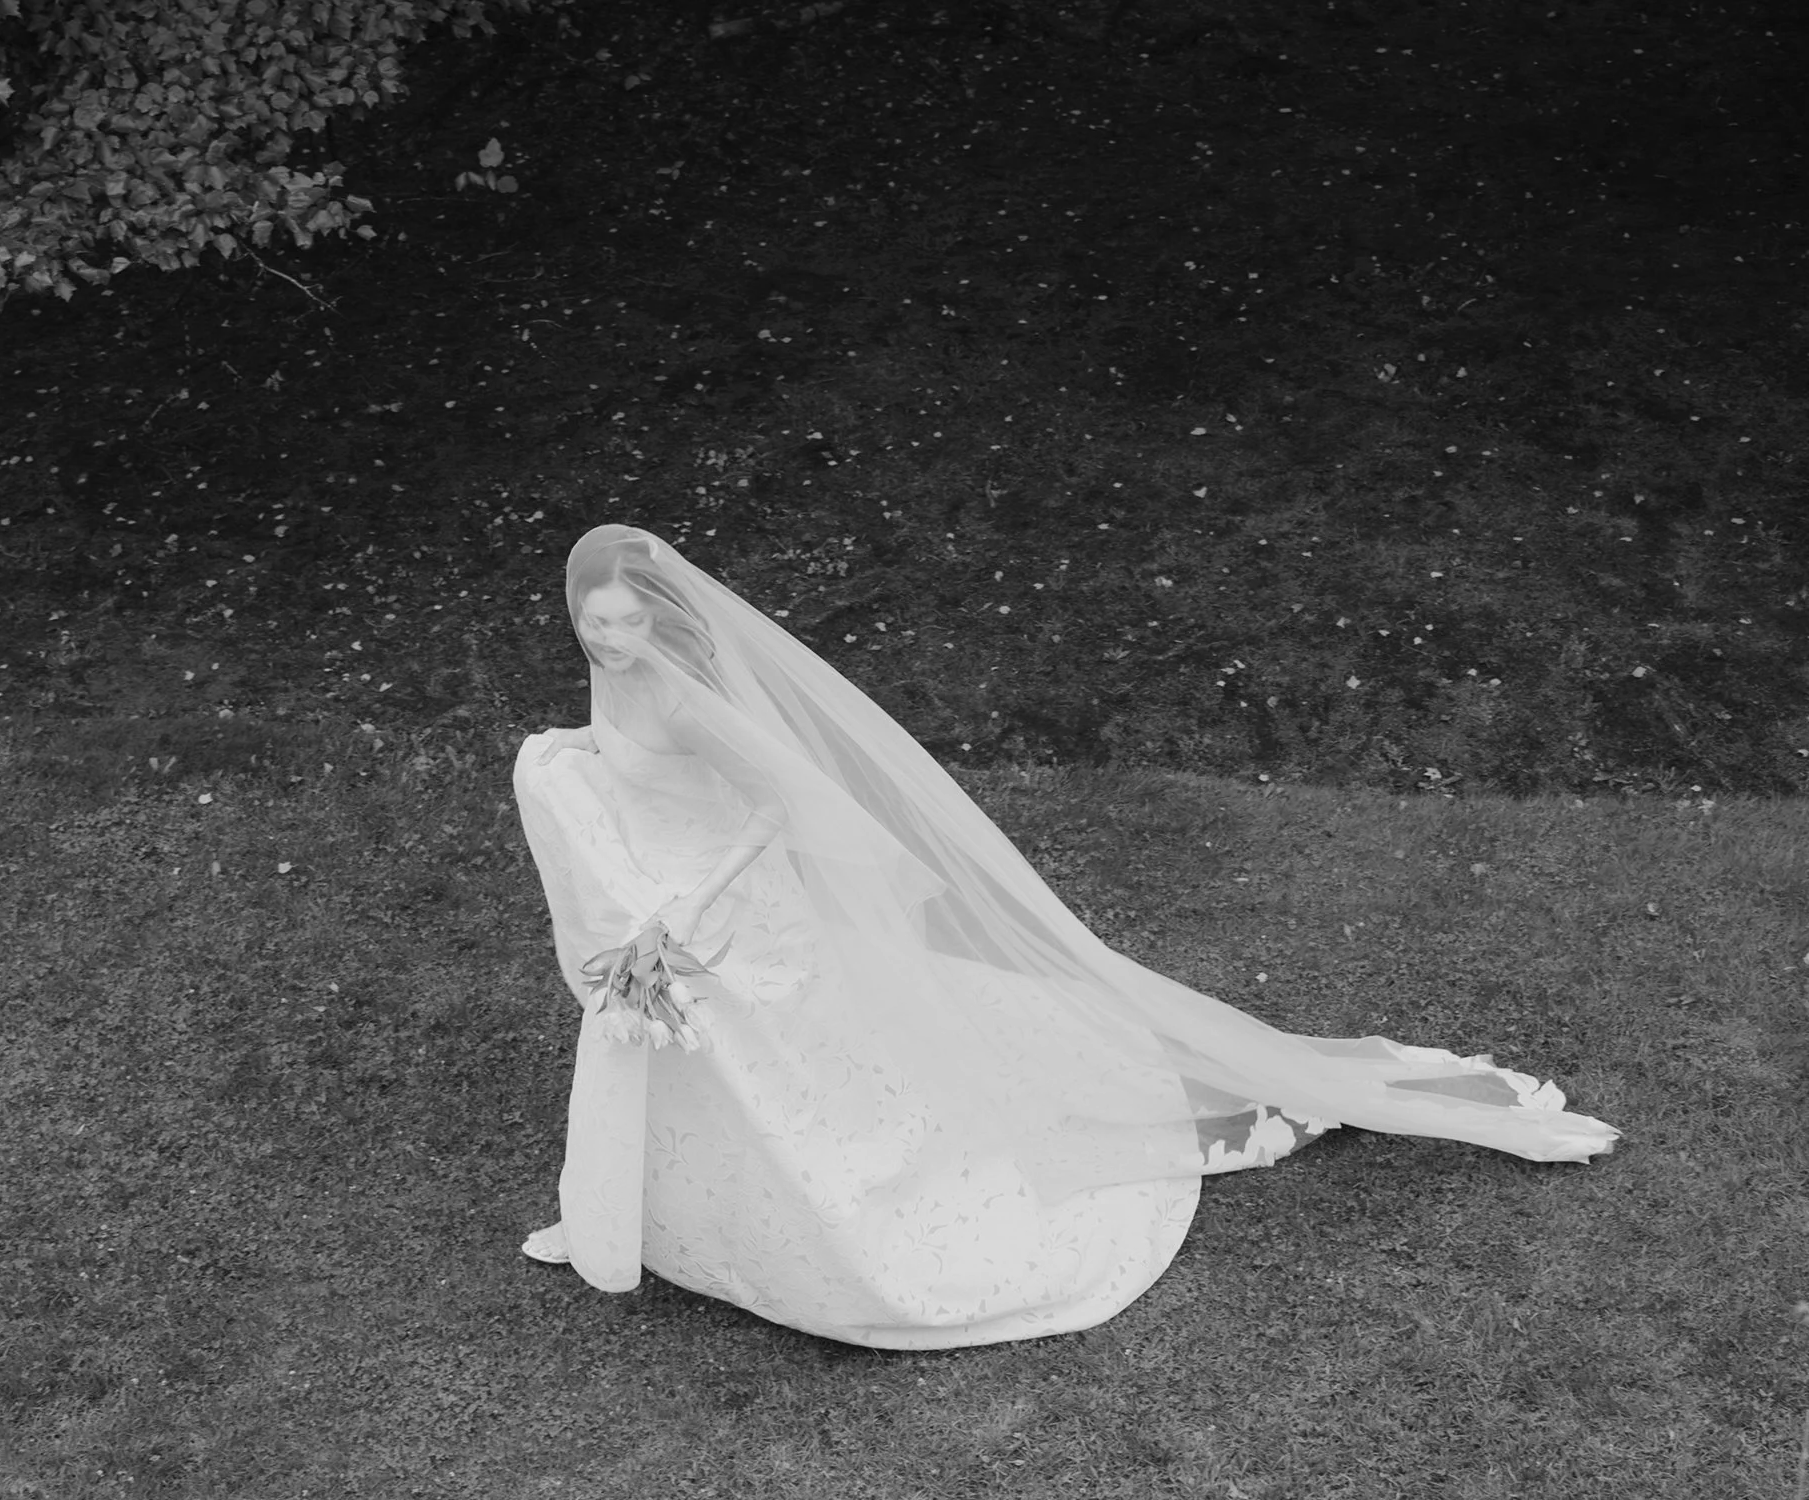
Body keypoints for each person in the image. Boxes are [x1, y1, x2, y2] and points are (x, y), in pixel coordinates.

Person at [510, 525, 1614, 1351]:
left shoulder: (687, 701)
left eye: (622, 623)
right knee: (679, 1065)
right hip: (674, 908)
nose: (602, 639)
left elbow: (777, 808)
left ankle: (809, 1227)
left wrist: (691, 908)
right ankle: (642, 1214)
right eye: (590, 622)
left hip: (722, 913)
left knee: (768, 1076)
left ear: (658, 621)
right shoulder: (615, 683)